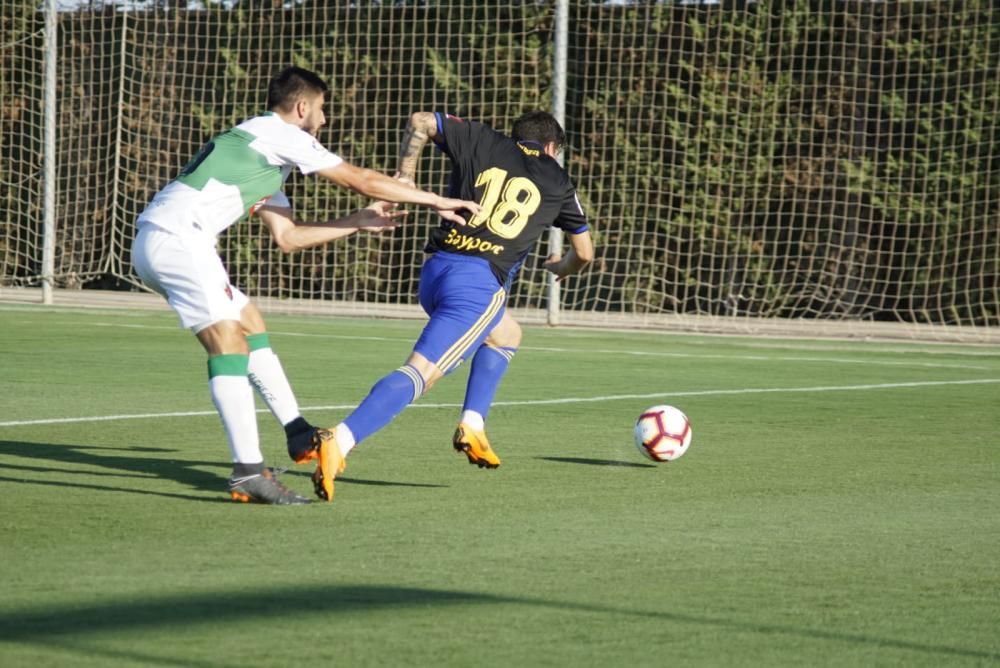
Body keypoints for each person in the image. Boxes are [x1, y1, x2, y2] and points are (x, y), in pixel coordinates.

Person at [131, 67, 480, 505]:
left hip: (168, 239)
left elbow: (289, 237)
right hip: (179, 239)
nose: (325, 120)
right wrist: (437, 200)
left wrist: (355, 223)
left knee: (248, 321)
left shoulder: (265, 154)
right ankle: (247, 473)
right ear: (302, 108)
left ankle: (297, 433)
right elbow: (360, 179)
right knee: (229, 344)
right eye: (322, 109)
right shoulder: (279, 134)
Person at [294, 109, 594, 502]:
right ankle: (341, 439)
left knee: (506, 333)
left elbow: (419, 120)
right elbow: (584, 253)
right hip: (476, 288)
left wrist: (405, 174)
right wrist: (563, 267)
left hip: (435, 272)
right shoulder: (559, 180)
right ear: (553, 148)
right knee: (422, 373)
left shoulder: (483, 139)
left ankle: (473, 424)